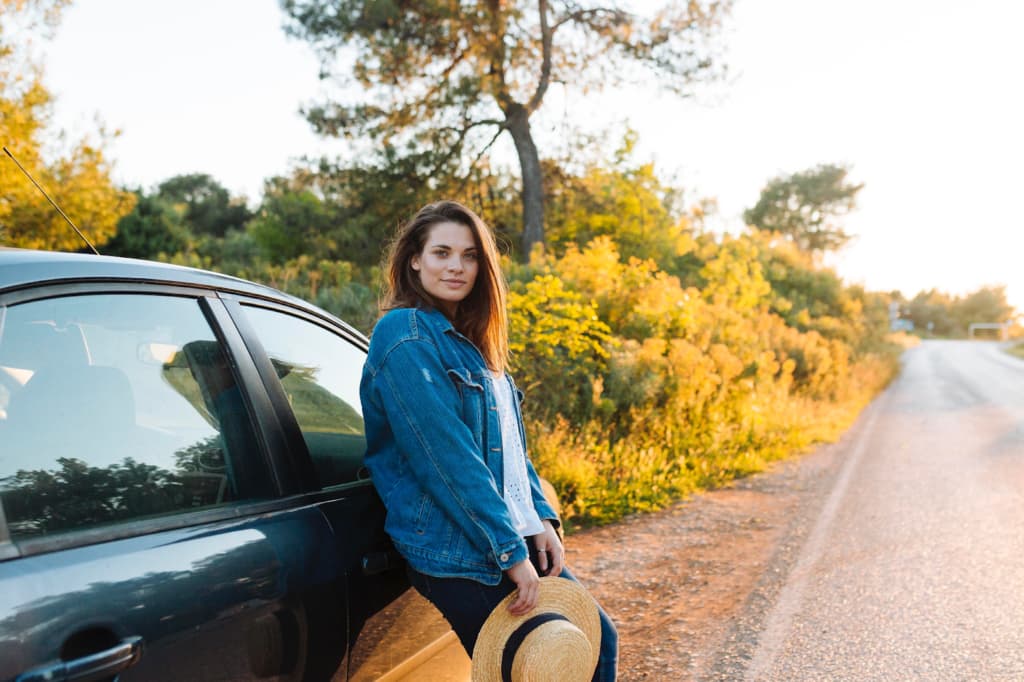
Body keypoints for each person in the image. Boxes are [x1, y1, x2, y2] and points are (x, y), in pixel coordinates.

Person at [359, 200, 617, 680]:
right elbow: (448, 459)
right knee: (532, 668)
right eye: (441, 252)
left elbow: (508, 450)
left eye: (470, 255)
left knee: (594, 644)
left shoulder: (470, 341)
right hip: (462, 547)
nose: (456, 266)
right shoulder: (406, 334)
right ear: (414, 260)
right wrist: (510, 553)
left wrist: (539, 515)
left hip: (506, 532)